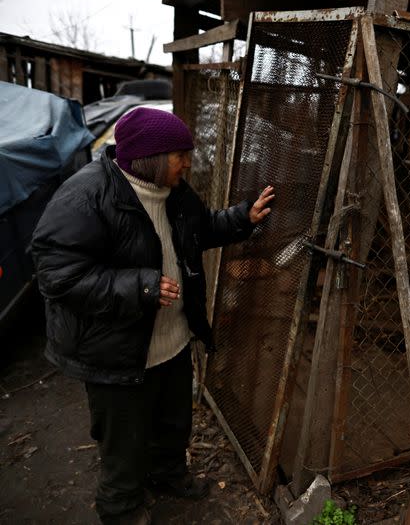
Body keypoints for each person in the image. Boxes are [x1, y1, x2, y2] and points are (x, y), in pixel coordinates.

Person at [31, 107, 275, 525]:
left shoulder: (175, 192)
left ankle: (167, 475)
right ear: (150, 156)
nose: (187, 162)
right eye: (180, 154)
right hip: (117, 352)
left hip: (172, 340)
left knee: (172, 423)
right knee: (122, 440)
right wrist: (138, 286)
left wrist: (241, 219)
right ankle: (120, 508)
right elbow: (56, 275)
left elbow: (202, 228)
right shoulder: (85, 195)